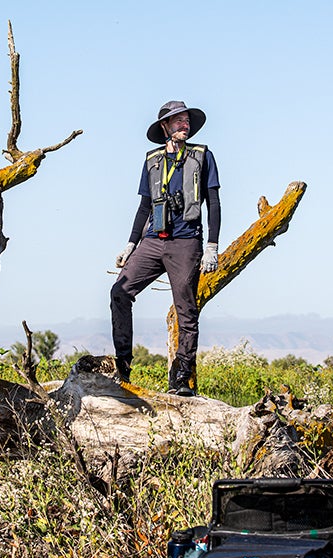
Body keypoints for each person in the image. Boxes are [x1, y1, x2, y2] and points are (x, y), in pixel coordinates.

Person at [110, 99, 221, 396]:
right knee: (119, 292)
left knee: (186, 310)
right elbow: (144, 205)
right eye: (178, 120)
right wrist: (131, 244)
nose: (184, 124)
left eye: (186, 120)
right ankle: (122, 365)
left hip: (186, 242)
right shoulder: (152, 160)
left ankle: (181, 379)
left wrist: (212, 245)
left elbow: (214, 203)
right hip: (152, 240)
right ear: (165, 127)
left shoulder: (202, 156)